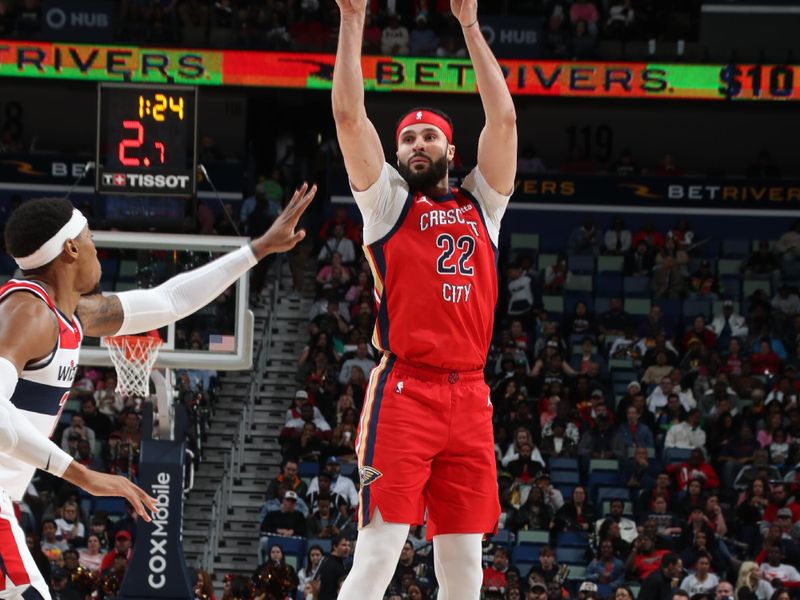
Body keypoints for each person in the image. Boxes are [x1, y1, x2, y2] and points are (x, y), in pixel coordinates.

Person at [0, 187, 315, 598]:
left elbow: (169, 300)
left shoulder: (69, 313)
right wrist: (83, 475)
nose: (97, 247)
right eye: (91, 237)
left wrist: (256, 250)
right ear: (71, 250)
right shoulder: (28, 314)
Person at [331, 0, 517, 597]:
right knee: (380, 551)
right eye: (407, 136)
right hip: (406, 390)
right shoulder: (387, 202)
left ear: (449, 151)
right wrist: (353, 18)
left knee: (464, 562)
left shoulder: (481, 204)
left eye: (429, 135)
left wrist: (469, 24)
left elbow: (505, 122)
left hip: (470, 394)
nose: (416, 142)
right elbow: (348, 117)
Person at [317, 534, 350, 600]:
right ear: (335, 546)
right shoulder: (330, 565)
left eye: (348, 545)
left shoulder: (340, 563)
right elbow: (327, 592)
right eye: (344, 545)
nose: (347, 548)